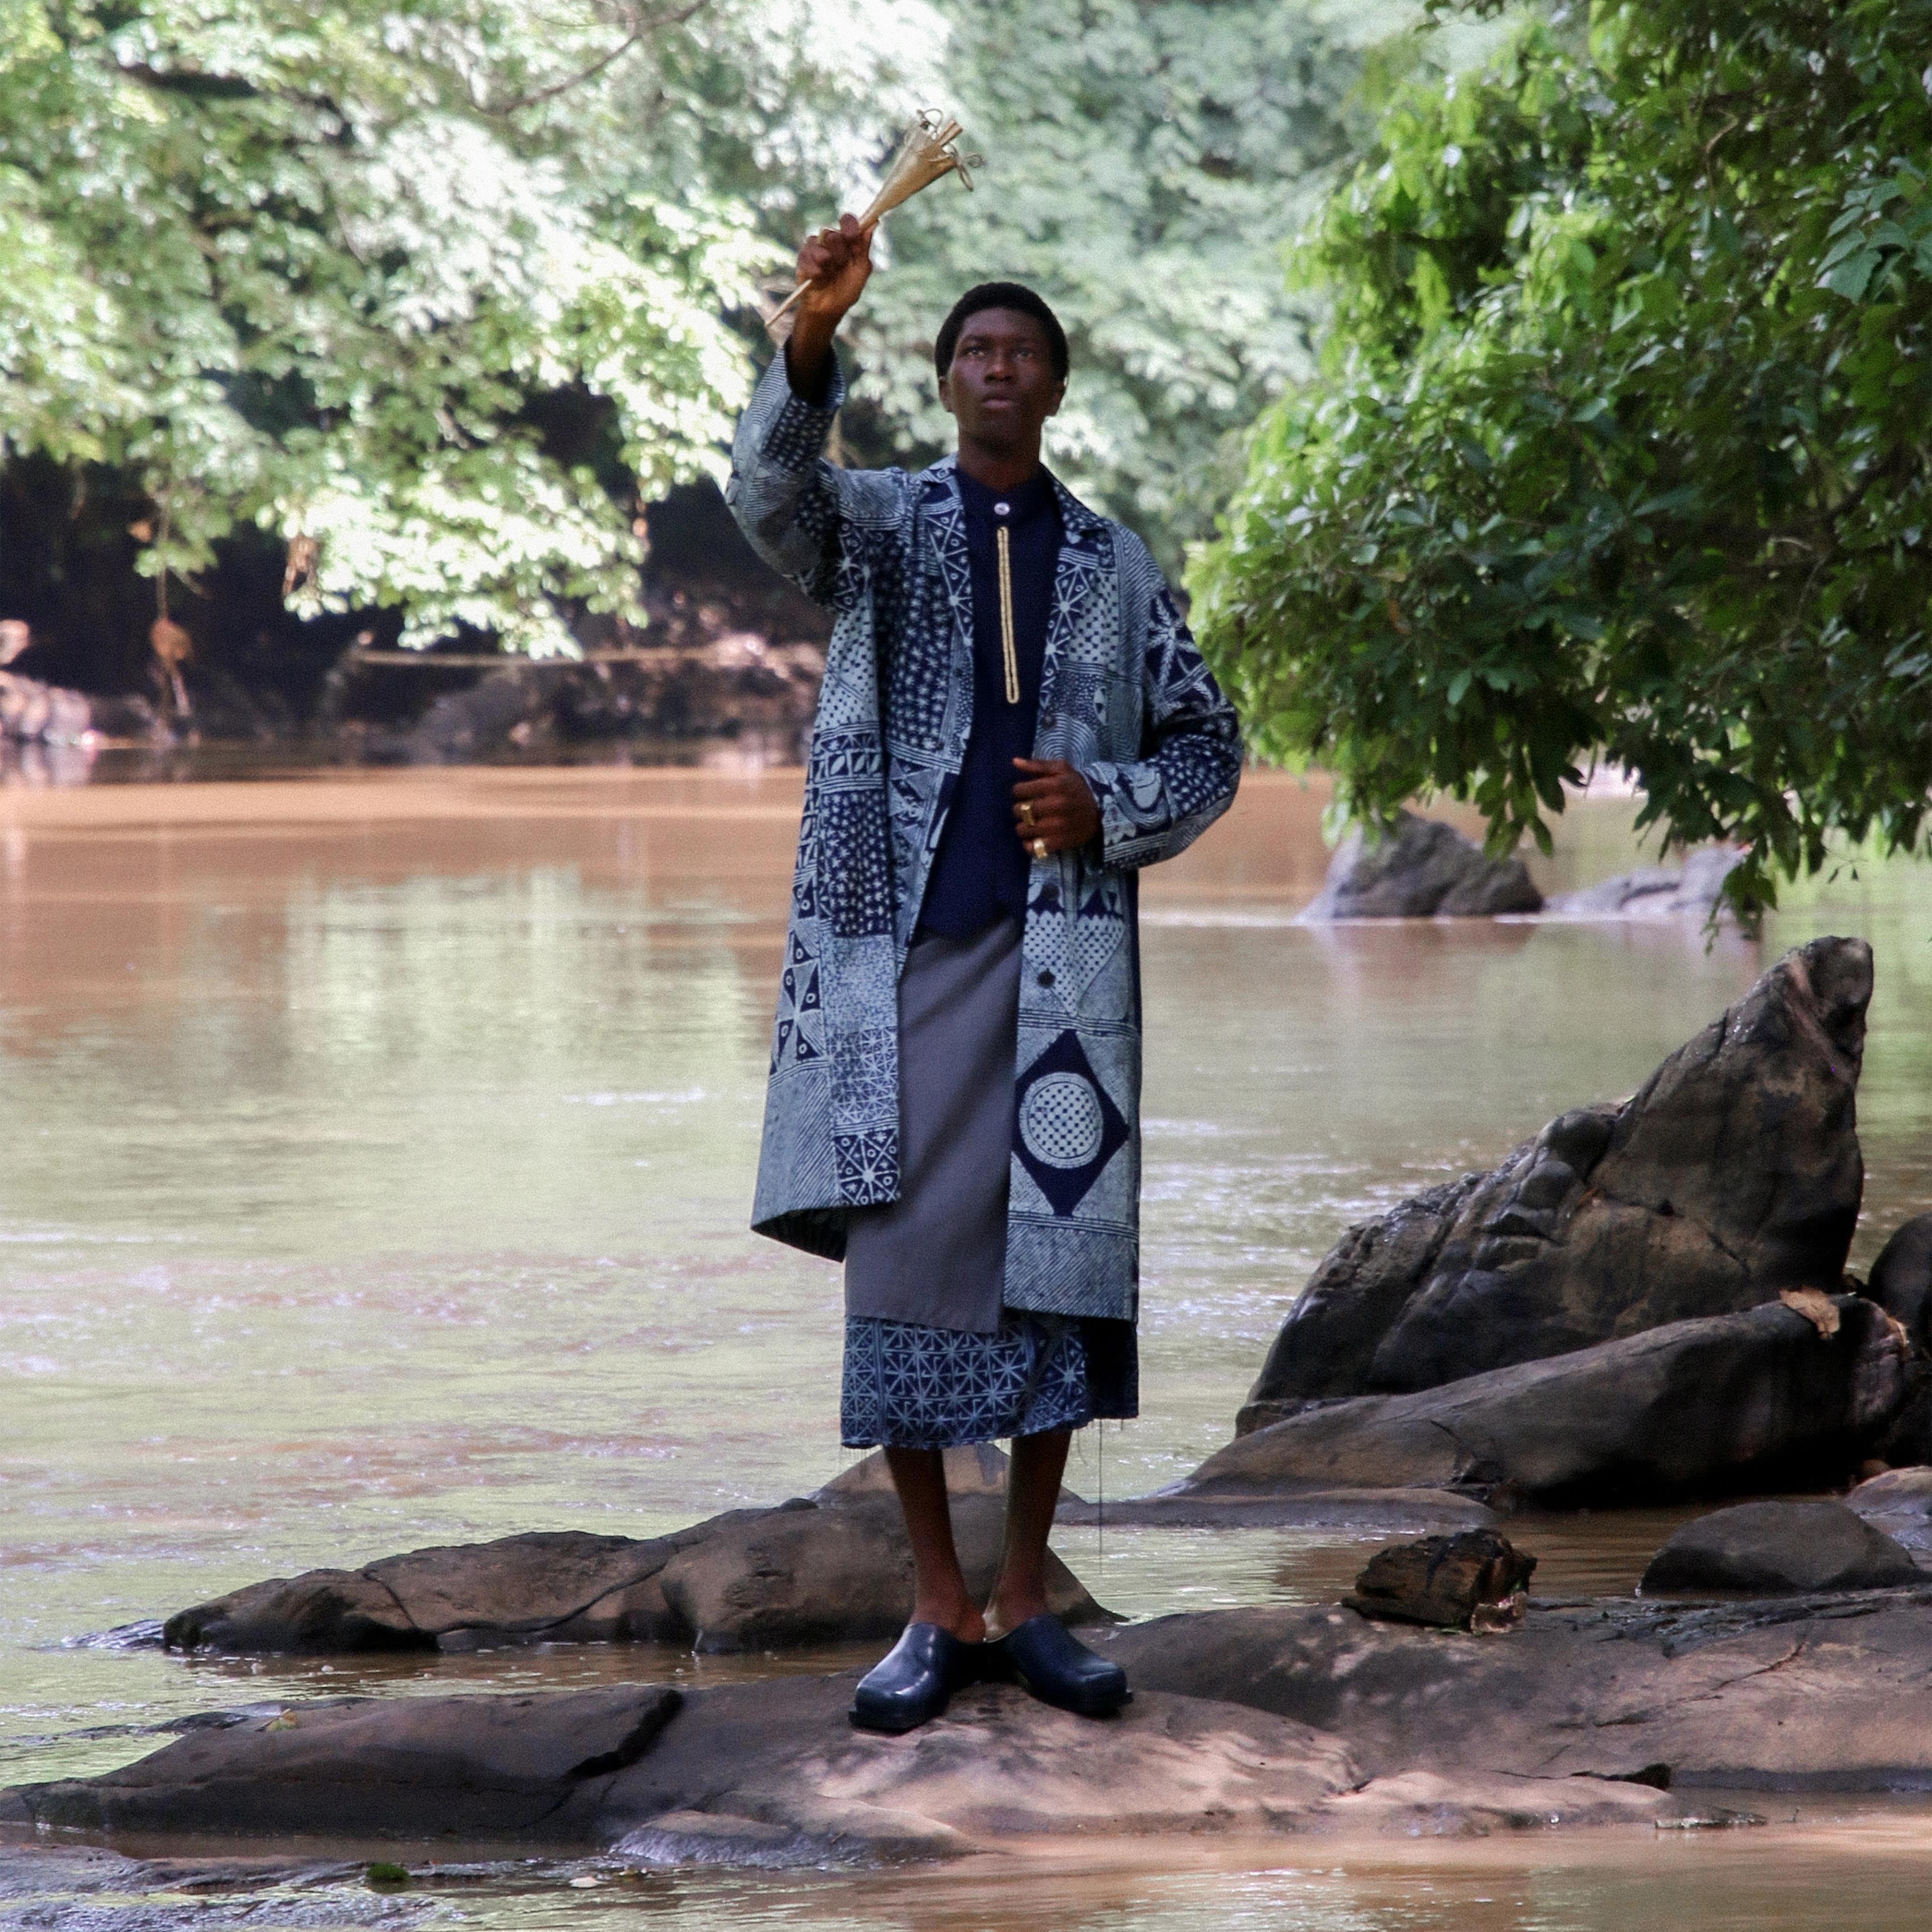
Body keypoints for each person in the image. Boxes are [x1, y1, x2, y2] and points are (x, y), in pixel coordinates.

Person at [728, 214, 1241, 1734]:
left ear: (1056, 387)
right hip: (901, 956)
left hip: (1067, 967)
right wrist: (809, 340)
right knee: (902, 1269)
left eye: (1019, 351)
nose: (994, 367)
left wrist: (1113, 808)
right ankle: (934, 1606)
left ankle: (1030, 1603)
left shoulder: (1113, 561)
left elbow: (1210, 745)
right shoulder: (879, 526)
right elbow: (766, 498)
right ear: (946, 384)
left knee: (1056, 1277)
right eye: (971, 351)